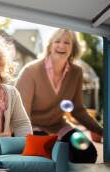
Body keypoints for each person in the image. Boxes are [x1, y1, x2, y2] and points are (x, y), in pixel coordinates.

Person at [16, 28, 103, 163]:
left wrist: (101, 131)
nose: (61, 46)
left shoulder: (76, 72)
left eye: (67, 43)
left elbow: (78, 109)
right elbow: (21, 115)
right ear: (50, 46)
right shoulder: (30, 71)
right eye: (57, 41)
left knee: (88, 154)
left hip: (58, 126)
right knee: (50, 156)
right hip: (32, 128)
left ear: (73, 48)